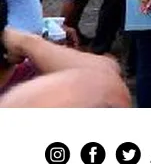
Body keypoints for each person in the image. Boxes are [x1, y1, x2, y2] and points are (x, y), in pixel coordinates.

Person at [0, 6, 131, 107]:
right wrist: (28, 43)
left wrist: (28, 43)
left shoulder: (33, 73)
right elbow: (109, 88)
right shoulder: (37, 88)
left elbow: (108, 82)